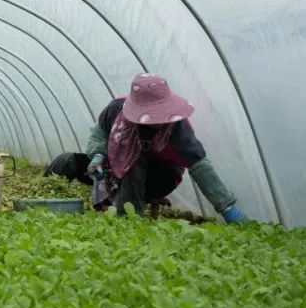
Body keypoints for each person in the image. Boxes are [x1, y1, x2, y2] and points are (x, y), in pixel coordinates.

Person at [84, 73, 247, 223]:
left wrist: (227, 207)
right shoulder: (116, 110)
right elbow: (99, 133)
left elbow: (200, 165)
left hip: (161, 178)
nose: (158, 121)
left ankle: (130, 219)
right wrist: (97, 155)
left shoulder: (177, 128)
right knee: (121, 158)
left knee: (135, 157)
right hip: (121, 175)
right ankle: (118, 212)